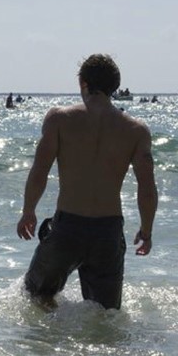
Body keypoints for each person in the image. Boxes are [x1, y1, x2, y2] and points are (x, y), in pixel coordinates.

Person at [16, 54, 158, 310]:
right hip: (108, 233)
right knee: (105, 314)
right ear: (114, 87)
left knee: (34, 295)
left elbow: (40, 170)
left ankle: (47, 343)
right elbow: (147, 188)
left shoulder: (59, 119)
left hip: (67, 228)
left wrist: (29, 211)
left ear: (82, 82)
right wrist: (146, 231)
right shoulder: (136, 130)